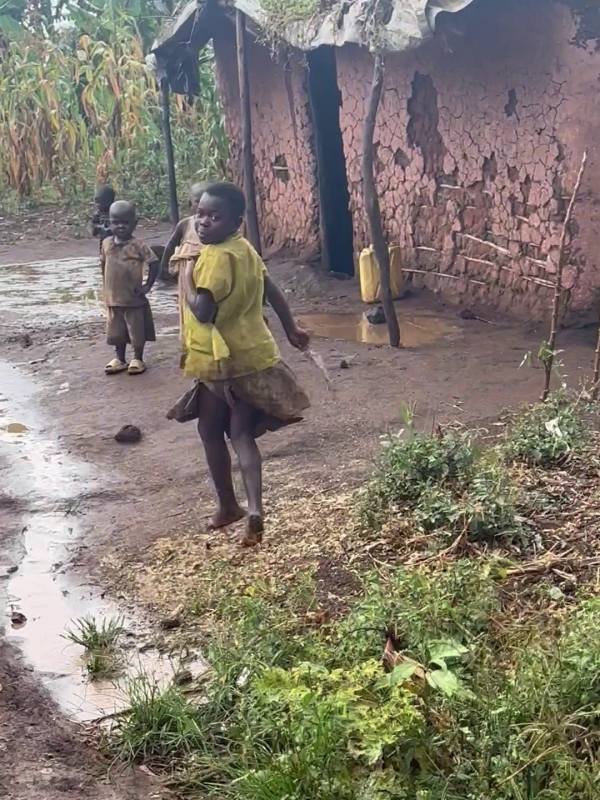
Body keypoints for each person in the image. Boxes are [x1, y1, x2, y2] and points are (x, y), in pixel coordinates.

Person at [168, 181, 310, 546]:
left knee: (209, 431)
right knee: (242, 435)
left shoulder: (214, 258)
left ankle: (228, 506)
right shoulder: (245, 249)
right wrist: (291, 327)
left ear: (236, 222)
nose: (203, 223)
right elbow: (270, 287)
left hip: (220, 361)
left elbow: (203, 311)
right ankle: (255, 508)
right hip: (253, 357)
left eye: (214, 217)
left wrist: (187, 278)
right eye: (200, 214)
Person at [100, 200, 159, 376]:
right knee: (116, 332)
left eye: (125, 222)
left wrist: (147, 285)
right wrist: (105, 286)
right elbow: (103, 264)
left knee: (136, 331)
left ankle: (138, 358)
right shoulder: (107, 243)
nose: (120, 226)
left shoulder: (138, 245)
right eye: (116, 222)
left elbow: (154, 262)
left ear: (134, 223)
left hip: (133, 298)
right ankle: (120, 359)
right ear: (109, 223)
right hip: (113, 299)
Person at [160, 183, 205, 366]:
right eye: (198, 201)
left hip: (207, 273)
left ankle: (207, 347)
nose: (202, 205)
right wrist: (164, 267)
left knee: (205, 309)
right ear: (190, 203)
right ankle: (191, 350)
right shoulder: (186, 224)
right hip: (187, 275)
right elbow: (171, 245)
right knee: (188, 311)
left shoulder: (214, 226)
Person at [91, 185, 116, 256]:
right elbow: (94, 232)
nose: (97, 205)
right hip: (103, 245)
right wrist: (100, 227)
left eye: (99, 202)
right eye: (96, 202)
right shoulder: (98, 214)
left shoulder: (115, 212)